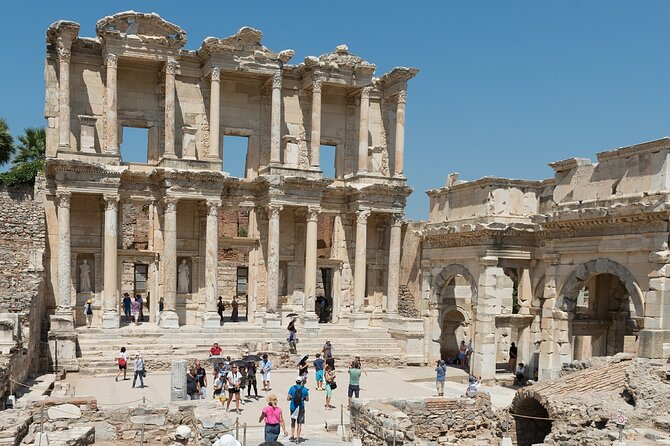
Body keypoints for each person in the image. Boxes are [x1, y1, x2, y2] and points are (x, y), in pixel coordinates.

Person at [287, 376, 310, 444]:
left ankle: (292, 435)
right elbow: (307, 399)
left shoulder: (292, 388)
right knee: (299, 423)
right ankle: (297, 438)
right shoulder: (305, 389)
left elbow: (288, 398)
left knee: (293, 422)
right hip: (301, 407)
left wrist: (292, 398)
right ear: (301, 382)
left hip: (293, 407)